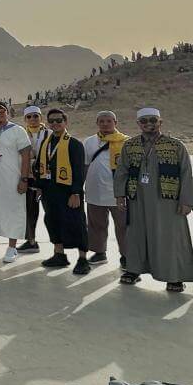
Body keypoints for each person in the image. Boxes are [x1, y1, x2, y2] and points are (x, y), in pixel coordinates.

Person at [115, 108, 193, 292]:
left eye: (153, 120)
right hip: (137, 199)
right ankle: (133, 270)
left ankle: (174, 276)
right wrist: (119, 195)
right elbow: (122, 171)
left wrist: (187, 201)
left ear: (160, 122)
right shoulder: (130, 145)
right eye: (144, 121)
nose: (149, 124)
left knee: (169, 238)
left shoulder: (176, 146)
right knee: (136, 235)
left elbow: (186, 174)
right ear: (138, 124)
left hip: (168, 202)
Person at [34, 109, 89, 275]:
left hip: (69, 192)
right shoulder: (46, 143)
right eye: (52, 121)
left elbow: (79, 171)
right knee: (52, 221)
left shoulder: (74, 144)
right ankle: (59, 254)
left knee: (76, 223)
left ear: (66, 122)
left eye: (59, 120)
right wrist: (39, 187)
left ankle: (83, 259)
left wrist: (76, 193)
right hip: (50, 191)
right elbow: (39, 166)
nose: (55, 124)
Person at [0, 101, 33, 263]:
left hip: (12, 180)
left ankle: (12, 248)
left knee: (13, 212)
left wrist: (24, 179)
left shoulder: (17, 130)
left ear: (7, 112)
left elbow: (26, 156)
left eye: (2, 110)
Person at [83, 110, 128, 268]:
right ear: (97, 123)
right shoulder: (89, 142)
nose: (105, 124)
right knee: (96, 224)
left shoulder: (126, 142)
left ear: (115, 123)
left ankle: (126, 255)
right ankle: (99, 252)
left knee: (124, 226)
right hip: (95, 191)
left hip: (120, 194)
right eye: (101, 121)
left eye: (109, 121)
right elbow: (85, 165)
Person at [19, 105, 50, 253]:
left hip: (48, 178)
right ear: (25, 119)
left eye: (35, 116)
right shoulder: (21, 134)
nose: (33, 119)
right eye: (29, 116)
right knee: (30, 211)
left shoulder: (49, 133)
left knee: (51, 212)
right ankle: (31, 241)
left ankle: (59, 247)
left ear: (41, 117)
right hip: (30, 177)